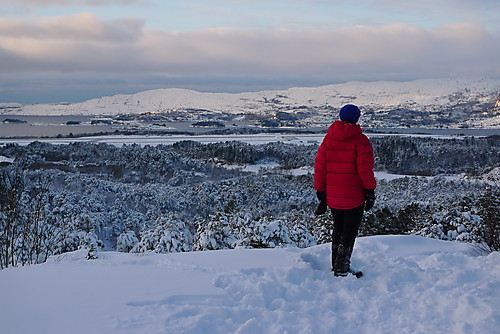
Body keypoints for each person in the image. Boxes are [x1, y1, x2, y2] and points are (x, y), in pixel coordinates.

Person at [314, 104, 376, 276]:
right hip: (354, 196)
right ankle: (342, 267)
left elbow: (320, 167)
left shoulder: (329, 138)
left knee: (338, 228)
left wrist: (320, 190)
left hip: (333, 195)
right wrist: (370, 192)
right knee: (349, 230)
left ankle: (336, 264)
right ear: (356, 119)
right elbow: (365, 171)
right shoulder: (361, 141)